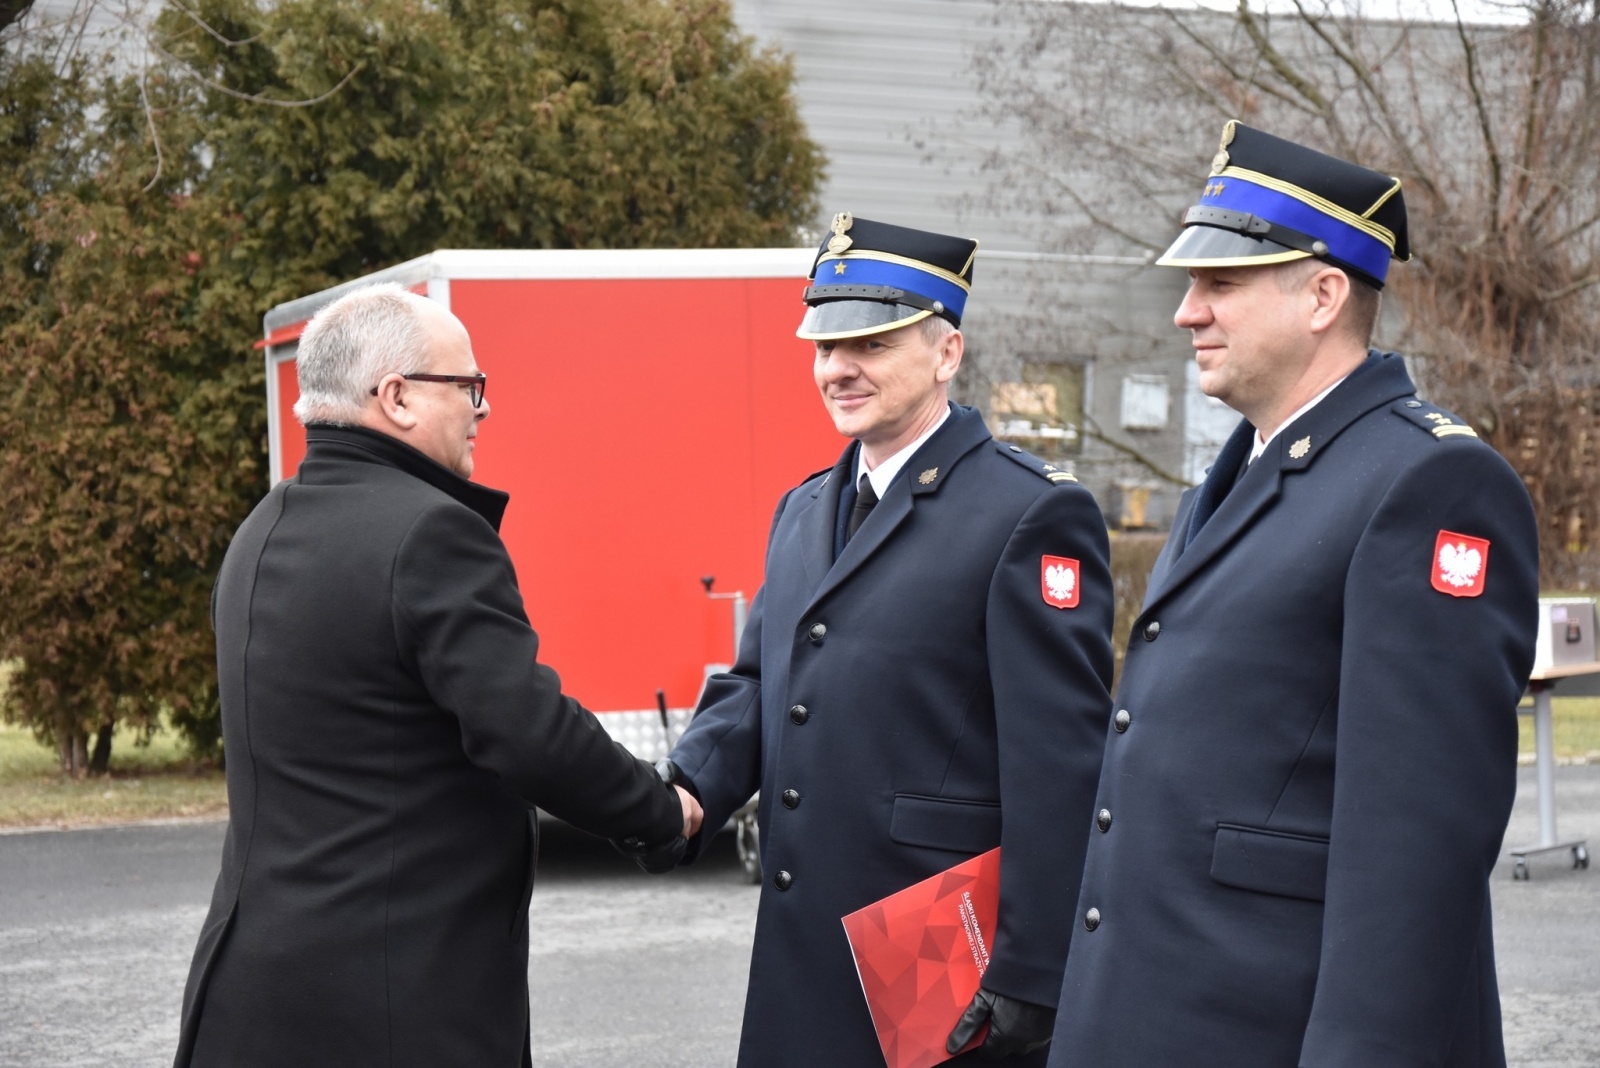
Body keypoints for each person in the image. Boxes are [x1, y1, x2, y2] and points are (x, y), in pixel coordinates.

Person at [1048, 122, 1540, 1067]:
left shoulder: (1427, 484)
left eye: (1220, 284)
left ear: (1322, 296)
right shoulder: (1227, 485)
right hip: (1165, 1015)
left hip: (1273, 1028)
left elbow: (1416, 849)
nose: (1188, 313)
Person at [173, 283, 701, 1068]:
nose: (482, 409)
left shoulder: (258, 530)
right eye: (468, 386)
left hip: (245, 1000)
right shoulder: (431, 531)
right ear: (396, 398)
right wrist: (664, 814)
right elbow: (529, 732)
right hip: (392, 1007)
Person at [656, 215, 1116, 1067]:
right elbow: (760, 685)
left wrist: (1035, 966)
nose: (838, 368)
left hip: (936, 960)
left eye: (870, 342)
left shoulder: (1027, 511)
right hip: (802, 953)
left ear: (947, 354)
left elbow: (1061, 763)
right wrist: (683, 795)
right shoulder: (804, 509)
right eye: (825, 346)